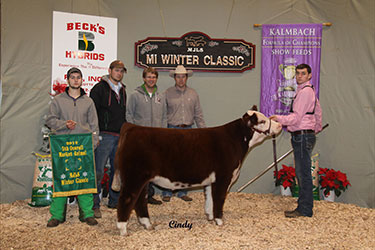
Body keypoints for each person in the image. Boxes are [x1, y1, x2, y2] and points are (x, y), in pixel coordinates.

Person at [46, 67, 99, 227]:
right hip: (63, 148)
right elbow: (50, 120)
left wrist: (93, 144)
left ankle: (87, 214)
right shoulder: (58, 100)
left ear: (82, 80)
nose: (76, 80)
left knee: (84, 179)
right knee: (62, 180)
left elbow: (94, 126)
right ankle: (57, 215)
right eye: (73, 77)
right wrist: (63, 124)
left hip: (83, 148)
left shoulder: (88, 101)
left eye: (78, 77)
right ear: (67, 79)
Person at [270, 63, 322, 218]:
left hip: (302, 136)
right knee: (303, 172)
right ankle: (305, 207)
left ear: (309, 75)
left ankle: (305, 209)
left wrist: (277, 118)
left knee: (302, 173)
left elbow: (296, 117)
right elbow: (318, 112)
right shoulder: (309, 91)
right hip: (306, 135)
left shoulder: (305, 92)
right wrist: (315, 128)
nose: (300, 76)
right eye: (298, 73)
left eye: (303, 73)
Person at [162, 65, 206, 202]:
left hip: (188, 130)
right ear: (174, 78)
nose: (181, 79)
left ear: (186, 78)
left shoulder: (193, 94)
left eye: (183, 77)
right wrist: (162, 131)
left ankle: (182, 192)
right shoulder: (167, 93)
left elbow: (198, 114)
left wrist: (203, 132)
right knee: (169, 161)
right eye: (178, 77)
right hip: (171, 130)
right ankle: (167, 192)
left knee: (187, 162)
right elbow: (163, 114)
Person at [90, 60, 127, 218]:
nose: (119, 73)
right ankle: (94, 204)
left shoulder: (123, 90)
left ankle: (114, 200)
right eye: (117, 70)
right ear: (110, 70)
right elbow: (93, 113)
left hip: (119, 135)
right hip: (104, 135)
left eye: (121, 71)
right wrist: (95, 133)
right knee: (98, 170)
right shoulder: (99, 89)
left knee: (116, 169)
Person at [126, 67, 167, 205]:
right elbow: (129, 114)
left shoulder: (161, 96)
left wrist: (163, 134)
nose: (151, 79)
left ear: (156, 79)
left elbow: (164, 117)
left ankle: (149, 195)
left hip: (156, 139)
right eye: (149, 77)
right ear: (144, 78)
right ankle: (138, 195)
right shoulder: (135, 95)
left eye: (154, 77)